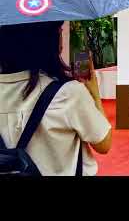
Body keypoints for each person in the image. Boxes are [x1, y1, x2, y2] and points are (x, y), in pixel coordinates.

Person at [0, 21, 112, 176]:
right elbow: (103, 144)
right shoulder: (68, 93)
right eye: (59, 31)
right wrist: (94, 94)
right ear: (47, 40)